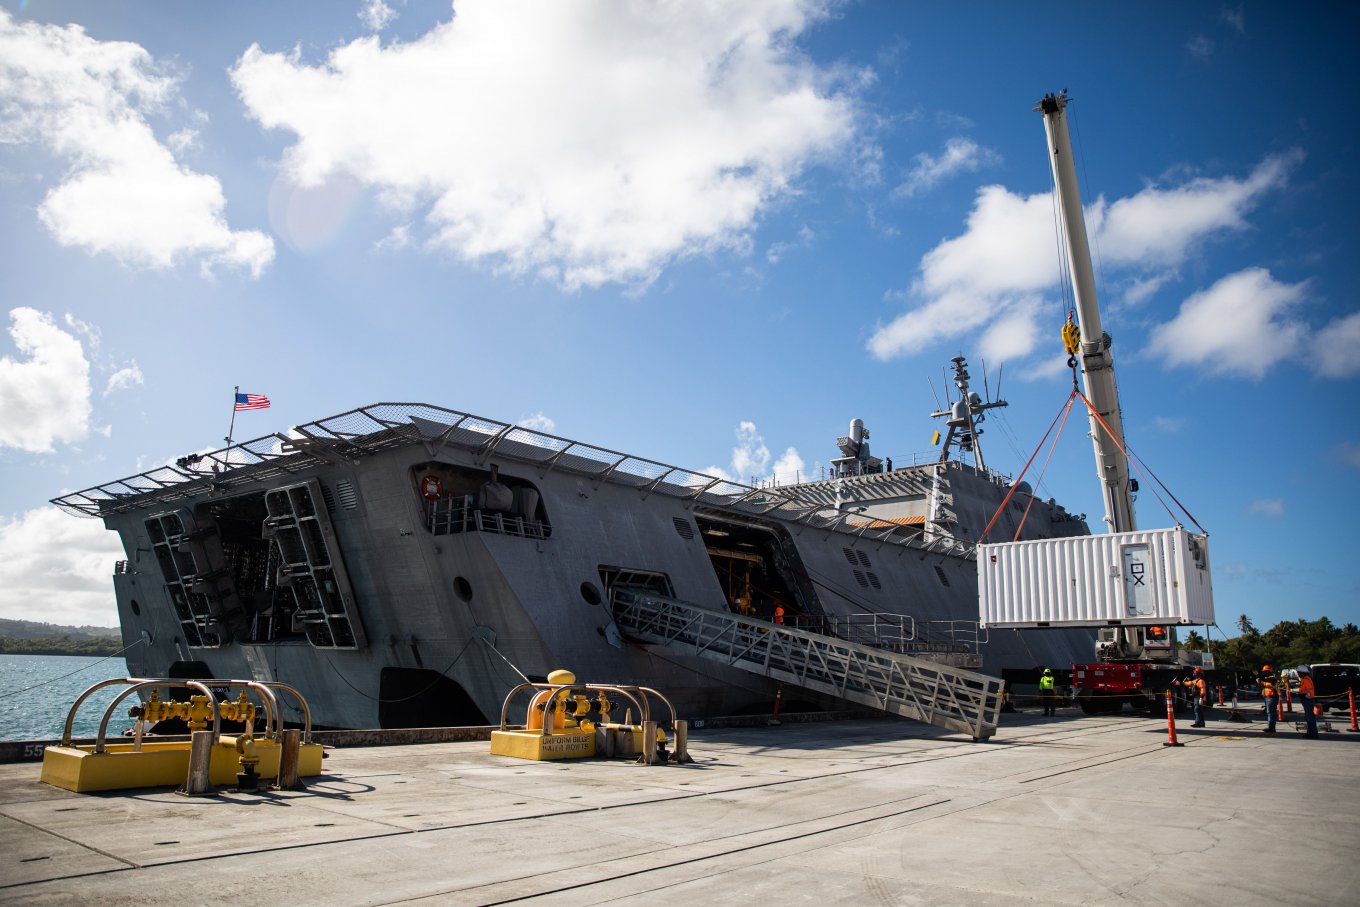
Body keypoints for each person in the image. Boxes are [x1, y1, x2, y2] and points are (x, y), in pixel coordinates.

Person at [1298, 665, 1319, 738]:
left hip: (1308, 700)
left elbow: (1309, 691)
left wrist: (1302, 694)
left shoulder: (1306, 680)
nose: (1298, 674)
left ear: (1302, 673)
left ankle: (1313, 734)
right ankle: (1310, 733)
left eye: (1299, 673)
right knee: (1309, 718)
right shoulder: (1306, 679)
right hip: (1307, 700)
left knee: (1310, 718)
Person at [1260, 665, 1278, 735]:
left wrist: (1259, 677)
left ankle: (1271, 728)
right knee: (1269, 713)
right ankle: (1270, 727)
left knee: (1271, 713)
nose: (1264, 673)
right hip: (1267, 697)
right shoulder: (1267, 678)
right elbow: (1263, 685)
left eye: (1265, 671)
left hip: (1272, 697)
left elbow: (1265, 680)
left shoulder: (1272, 678)